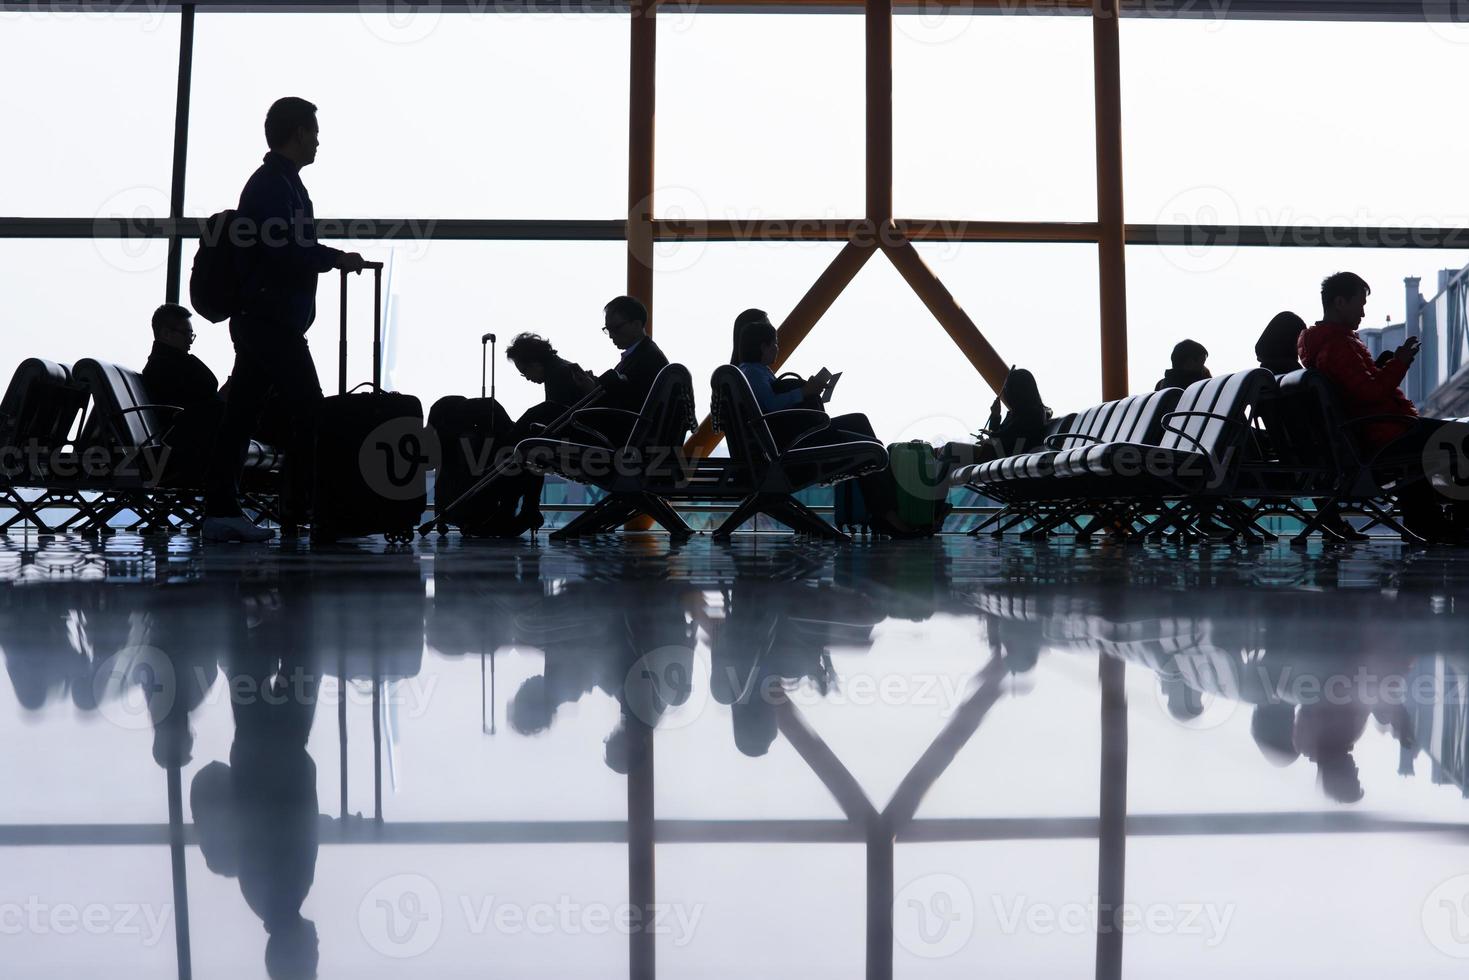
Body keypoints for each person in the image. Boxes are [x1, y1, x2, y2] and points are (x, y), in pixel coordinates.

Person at [202, 97, 368, 544]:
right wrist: (335, 258)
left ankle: (224, 510)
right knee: (308, 407)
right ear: (298, 134)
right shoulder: (274, 186)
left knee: (240, 416)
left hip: (267, 321)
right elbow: (286, 250)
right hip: (269, 321)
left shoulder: (280, 183)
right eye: (314, 132)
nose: (318, 141)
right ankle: (296, 509)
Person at [1298, 271, 1466, 544]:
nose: (1363, 313)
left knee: (1440, 440)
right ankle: (1449, 519)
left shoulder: (1324, 346)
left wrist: (1383, 365)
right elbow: (1371, 393)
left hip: (1372, 432)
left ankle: (1426, 518)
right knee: (1458, 436)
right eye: (1360, 303)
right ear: (1340, 302)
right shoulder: (1339, 345)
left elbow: (1358, 389)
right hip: (1383, 435)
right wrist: (1399, 362)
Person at [465, 332, 596, 536]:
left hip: (577, 441)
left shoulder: (559, 375)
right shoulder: (561, 369)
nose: (526, 378)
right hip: (580, 437)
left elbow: (555, 418)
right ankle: (523, 510)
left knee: (525, 449)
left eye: (525, 371)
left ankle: (511, 509)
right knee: (527, 449)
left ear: (535, 362)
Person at [142, 304, 224, 484]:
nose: (190, 341)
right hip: (184, 446)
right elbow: (208, 384)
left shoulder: (165, 363)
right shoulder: (164, 367)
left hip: (186, 437)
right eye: (187, 334)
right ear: (166, 333)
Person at [938, 367, 1051, 476]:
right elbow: (1004, 436)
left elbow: (1010, 440)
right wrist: (996, 417)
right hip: (1001, 455)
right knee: (945, 451)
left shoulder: (1031, 413)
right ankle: (938, 490)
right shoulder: (1025, 412)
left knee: (951, 449)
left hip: (1004, 457)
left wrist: (990, 438)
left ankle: (937, 492)